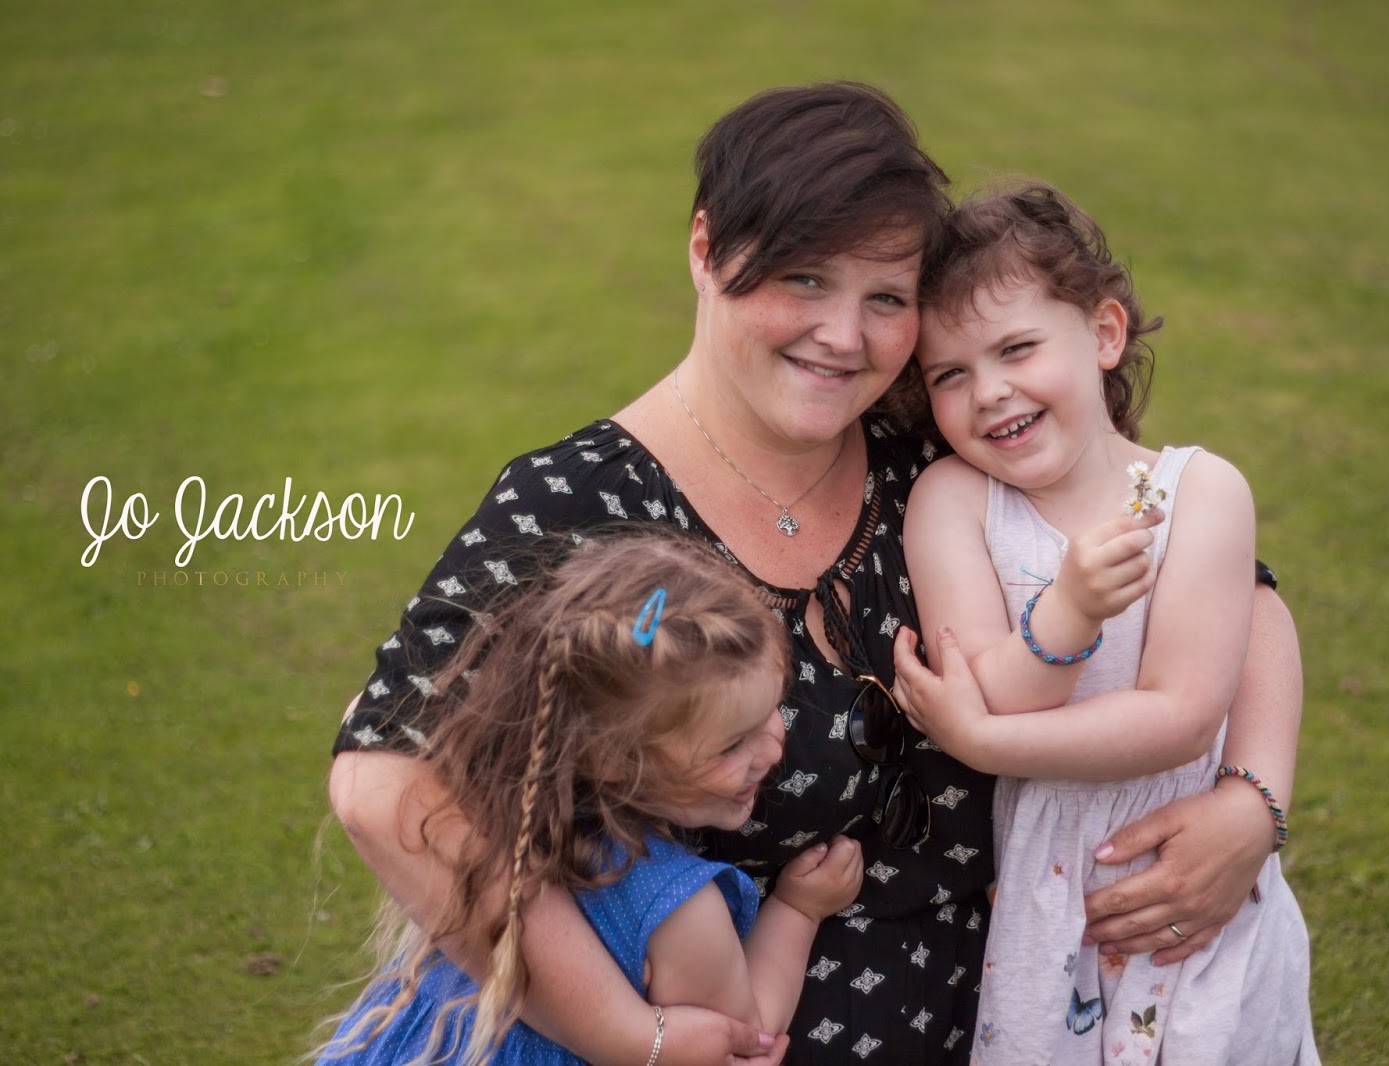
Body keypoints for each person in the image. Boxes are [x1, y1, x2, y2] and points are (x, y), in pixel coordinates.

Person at [327, 81, 1307, 1065]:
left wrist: (1250, 800)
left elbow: (1231, 589)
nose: (844, 336)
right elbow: (384, 783)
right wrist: (629, 1034)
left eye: (885, 298)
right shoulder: (579, 504)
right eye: (803, 280)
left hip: (1037, 1016)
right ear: (705, 249)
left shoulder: (934, 443)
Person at [891, 182, 1316, 1064]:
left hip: (1190, 877)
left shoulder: (1199, 494)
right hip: (1046, 897)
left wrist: (983, 743)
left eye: (1017, 348)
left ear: (1105, 334)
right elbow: (995, 692)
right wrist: (1070, 610)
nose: (989, 392)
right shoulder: (953, 500)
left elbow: (1181, 717)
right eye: (950, 374)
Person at [318, 533, 864, 1064]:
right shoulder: (681, 911)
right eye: (731, 745)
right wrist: (799, 910)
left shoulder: (493, 810)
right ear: (613, 760)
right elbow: (743, 1040)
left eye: (772, 710)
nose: (772, 749)